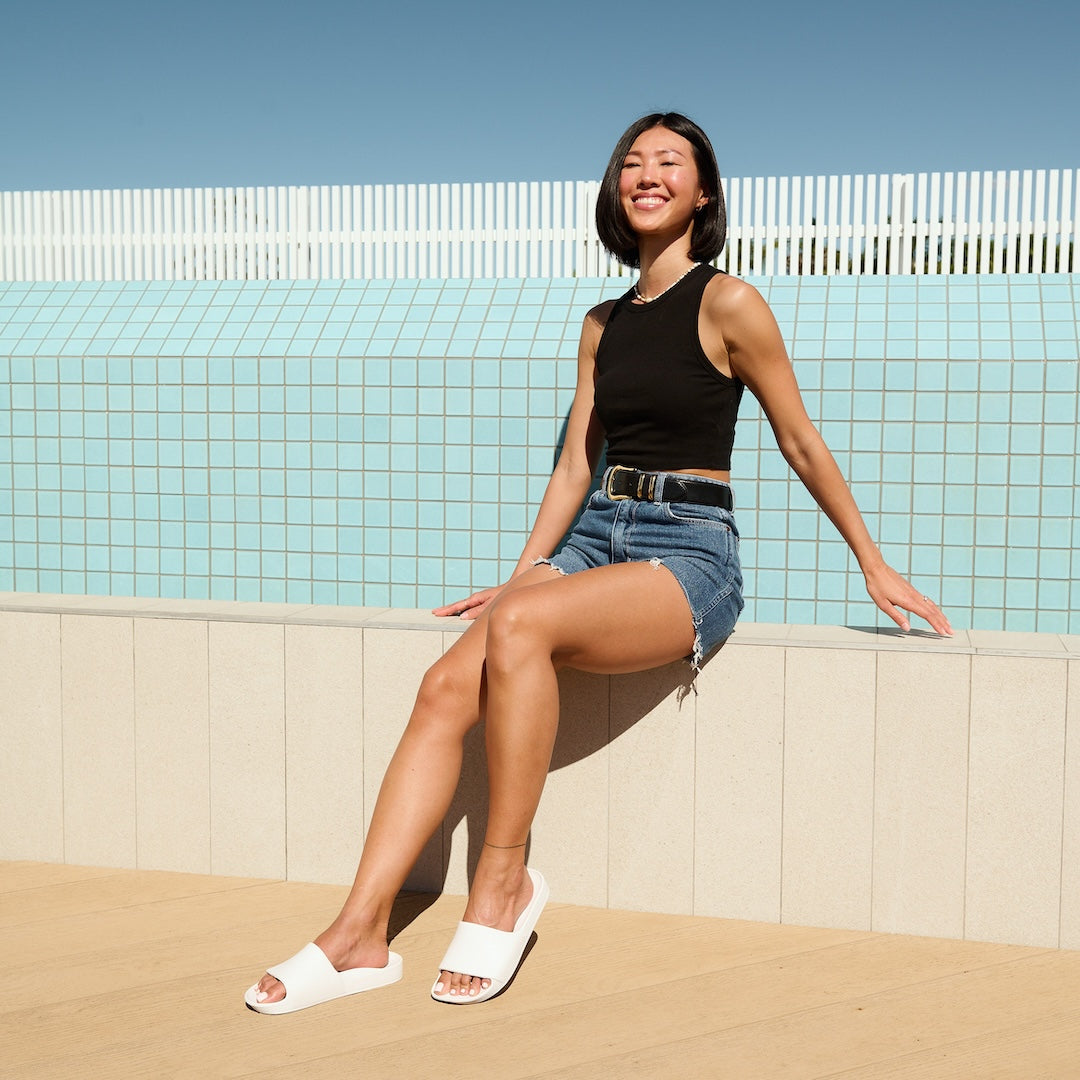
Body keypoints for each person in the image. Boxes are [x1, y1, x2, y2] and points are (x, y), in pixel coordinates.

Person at [245, 111, 952, 1014]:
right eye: (632, 162)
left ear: (704, 191)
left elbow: (798, 440)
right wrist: (527, 568)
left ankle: (502, 885)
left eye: (669, 162)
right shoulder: (601, 321)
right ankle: (359, 932)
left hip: (689, 550)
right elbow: (577, 464)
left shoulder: (729, 302)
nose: (646, 174)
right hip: (594, 536)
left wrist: (872, 562)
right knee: (443, 686)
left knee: (524, 624)